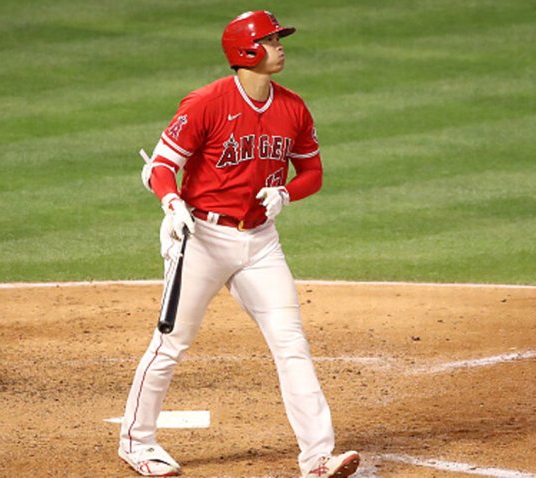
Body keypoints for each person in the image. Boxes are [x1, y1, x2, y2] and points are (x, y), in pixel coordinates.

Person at [118, 10, 361, 478]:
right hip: (201, 237)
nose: (281, 46)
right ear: (247, 51)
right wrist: (172, 204)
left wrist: (286, 191)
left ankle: (317, 458)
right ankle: (136, 442)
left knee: (291, 344)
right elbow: (164, 164)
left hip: (260, 243)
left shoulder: (293, 107)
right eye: (272, 39)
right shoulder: (207, 102)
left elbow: (313, 173)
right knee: (171, 342)